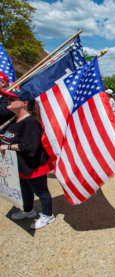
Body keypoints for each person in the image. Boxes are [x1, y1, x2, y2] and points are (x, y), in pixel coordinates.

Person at [0, 88, 55, 229]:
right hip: (20, 165)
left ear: (24, 103)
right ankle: (28, 210)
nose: (8, 101)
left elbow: (31, 146)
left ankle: (48, 215)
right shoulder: (14, 120)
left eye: (12, 99)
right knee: (24, 190)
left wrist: (7, 148)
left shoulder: (31, 122)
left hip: (34, 165)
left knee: (41, 191)